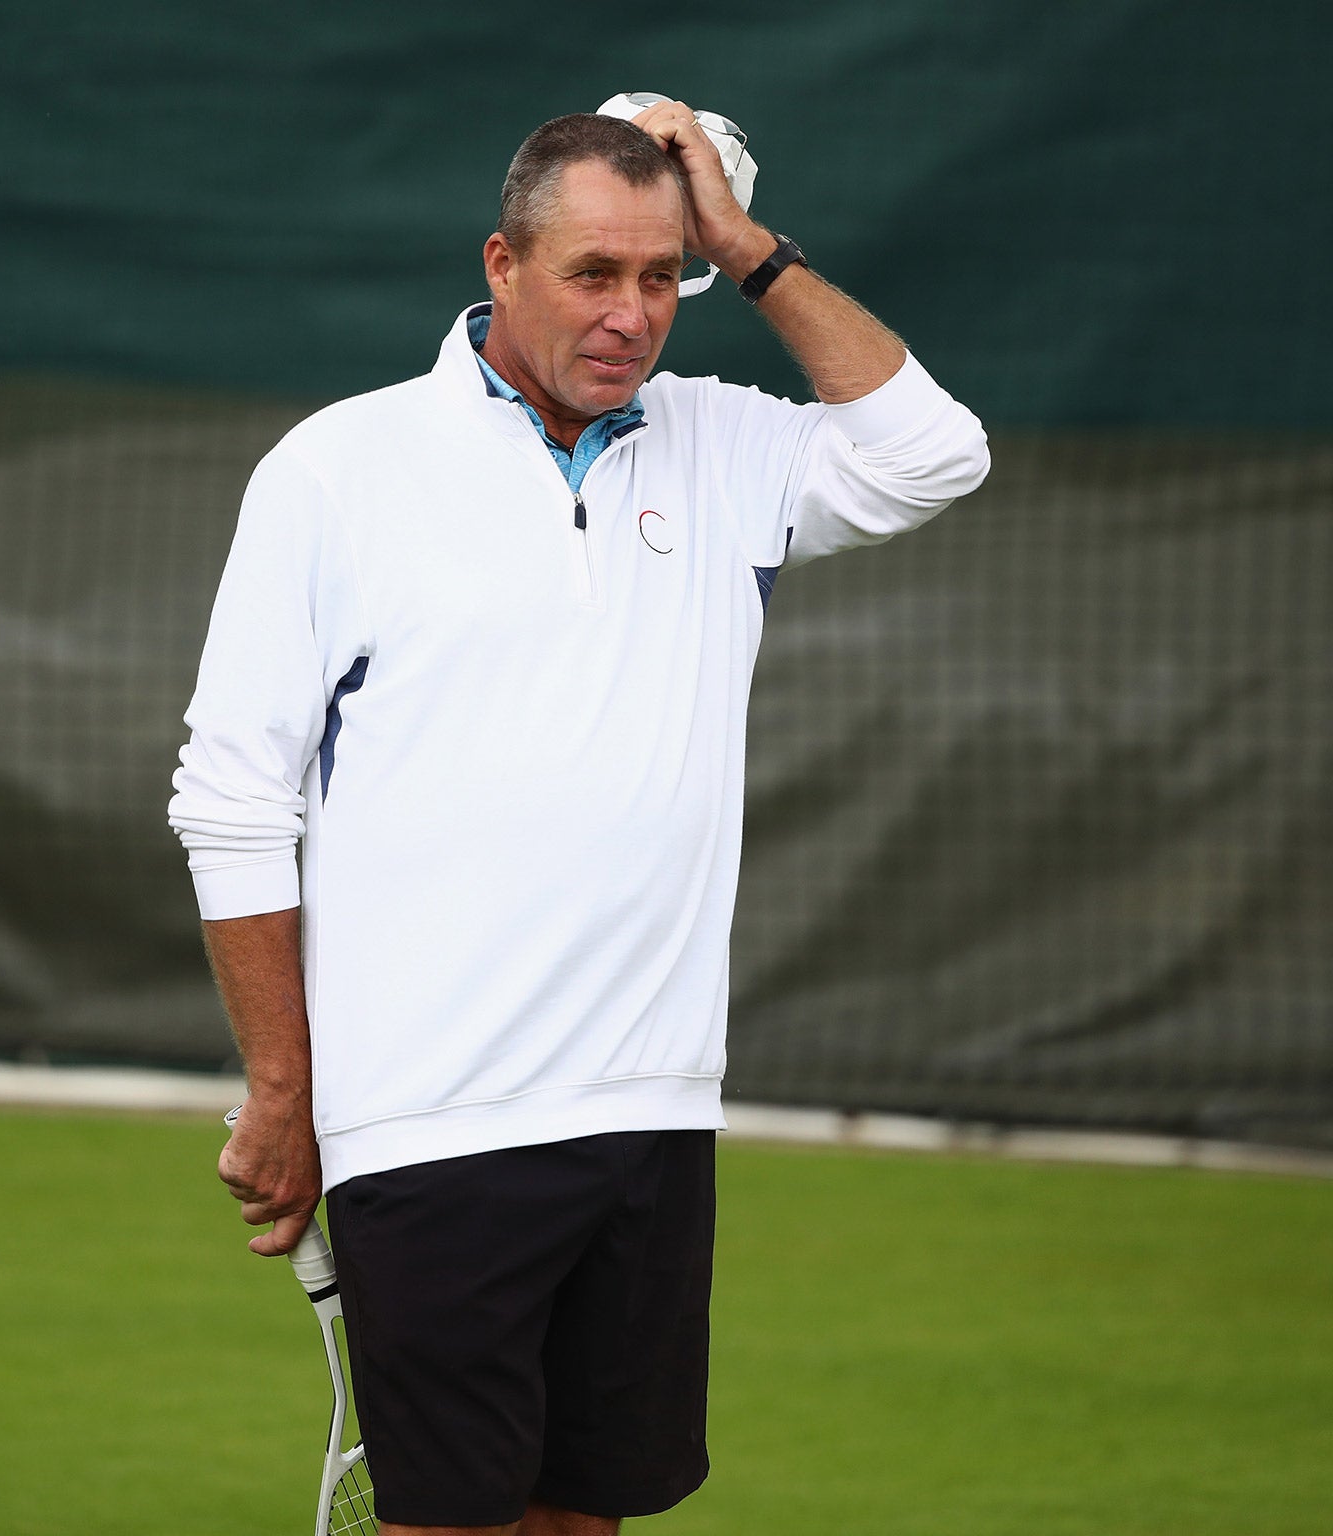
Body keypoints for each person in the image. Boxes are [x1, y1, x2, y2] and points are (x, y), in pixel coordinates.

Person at [170, 105, 988, 1535]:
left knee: (586, 1519)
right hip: (428, 1125)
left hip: (656, 1114)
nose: (631, 314)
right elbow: (232, 800)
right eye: (592, 273)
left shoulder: (727, 445)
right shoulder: (337, 468)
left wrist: (751, 251)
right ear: (502, 263)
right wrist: (287, 1091)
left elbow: (936, 456)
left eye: (663, 276)